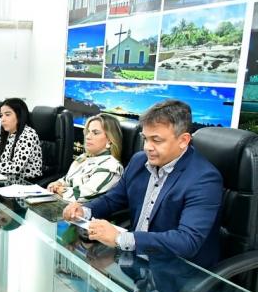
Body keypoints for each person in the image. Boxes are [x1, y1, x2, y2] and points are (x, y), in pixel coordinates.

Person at [63, 100, 223, 268]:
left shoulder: (204, 179)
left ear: (183, 140)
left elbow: (187, 241)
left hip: (178, 272)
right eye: (145, 139)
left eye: (156, 140)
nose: (147, 147)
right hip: (134, 263)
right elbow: (113, 199)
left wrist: (119, 238)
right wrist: (85, 210)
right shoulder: (139, 161)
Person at [48, 114, 124, 202]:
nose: (88, 137)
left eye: (95, 133)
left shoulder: (112, 167)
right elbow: (67, 179)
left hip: (81, 212)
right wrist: (57, 183)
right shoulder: (83, 158)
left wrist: (58, 189)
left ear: (110, 140)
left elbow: (81, 195)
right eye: (88, 132)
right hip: (60, 203)